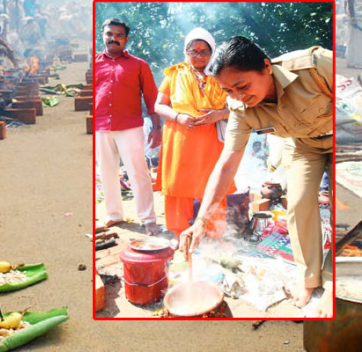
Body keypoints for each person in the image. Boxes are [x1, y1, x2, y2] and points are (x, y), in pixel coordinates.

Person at [180, 37, 333, 317]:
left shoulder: (315, 66)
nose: (237, 96)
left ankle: (337, 284)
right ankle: (309, 278)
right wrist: (202, 220)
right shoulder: (239, 108)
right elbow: (227, 163)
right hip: (304, 146)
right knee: (298, 205)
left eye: (242, 86)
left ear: (266, 67)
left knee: (348, 208)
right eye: (228, 90)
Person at [153, 28, 236, 240]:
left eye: (204, 51)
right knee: (179, 185)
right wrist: (179, 117)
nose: (198, 55)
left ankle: (214, 232)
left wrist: (219, 114)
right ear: (186, 52)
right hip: (180, 138)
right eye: (193, 51)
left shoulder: (222, 74)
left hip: (211, 139)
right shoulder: (173, 74)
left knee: (214, 182)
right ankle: (179, 233)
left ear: (212, 52)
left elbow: (238, 105)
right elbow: (159, 105)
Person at [94, 18, 161, 235]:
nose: (113, 38)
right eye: (109, 34)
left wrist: (157, 127)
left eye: (119, 35)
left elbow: (152, 98)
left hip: (130, 126)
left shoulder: (138, 65)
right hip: (101, 125)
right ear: (103, 35)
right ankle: (114, 215)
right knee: (106, 172)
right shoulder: (94, 63)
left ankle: (148, 219)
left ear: (126, 39)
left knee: (138, 172)